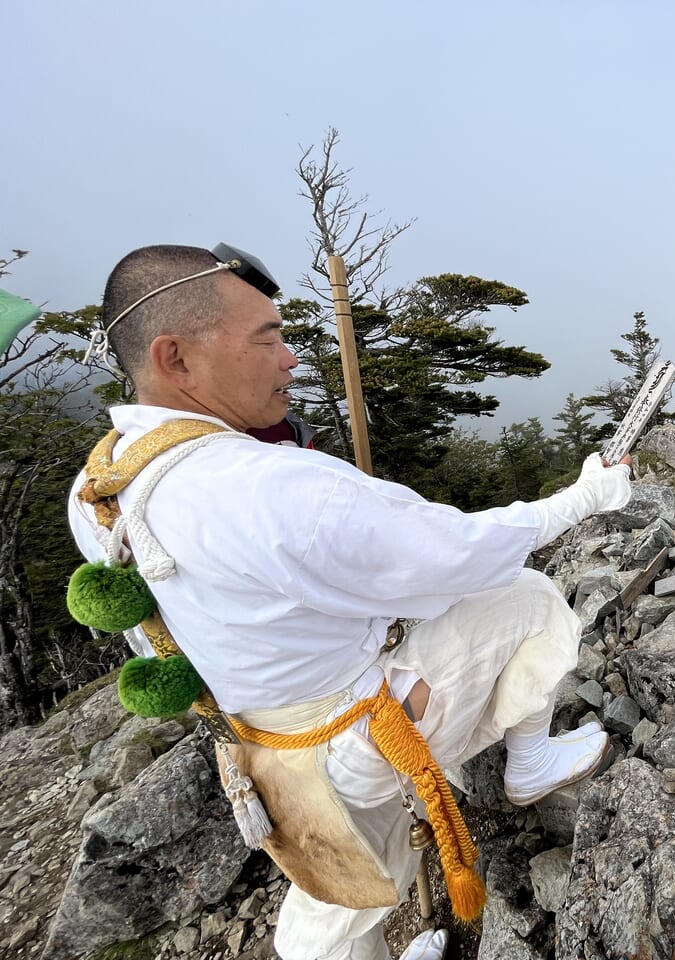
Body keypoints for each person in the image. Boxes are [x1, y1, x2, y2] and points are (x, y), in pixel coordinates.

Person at [66, 244, 632, 960]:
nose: (290, 361)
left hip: (256, 747)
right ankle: (530, 761)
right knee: (529, 595)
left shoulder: (100, 482)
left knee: (338, 894)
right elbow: (457, 555)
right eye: (267, 340)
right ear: (176, 358)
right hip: (355, 732)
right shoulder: (262, 485)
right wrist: (583, 498)